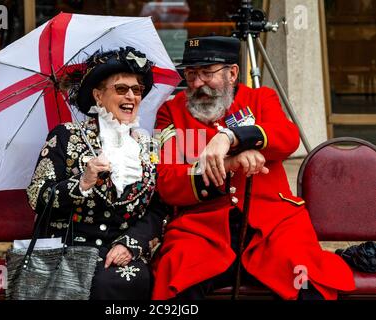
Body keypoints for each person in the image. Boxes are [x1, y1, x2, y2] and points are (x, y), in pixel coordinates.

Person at [151, 36, 356, 300]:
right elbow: (167, 181)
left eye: (206, 73)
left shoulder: (261, 98)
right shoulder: (169, 112)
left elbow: (288, 137)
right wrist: (226, 165)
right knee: (176, 280)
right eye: (191, 74)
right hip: (201, 229)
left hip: (273, 225)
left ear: (233, 73)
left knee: (307, 282)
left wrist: (231, 137)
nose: (197, 83)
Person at [26, 46, 166, 300]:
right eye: (121, 89)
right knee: (92, 285)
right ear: (98, 96)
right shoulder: (66, 136)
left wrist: (131, 243)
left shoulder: (148, 145)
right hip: (69, 249)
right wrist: (82, 183)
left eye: (137, 90)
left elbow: (157, 208)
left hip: (120, 250)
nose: (132, 96)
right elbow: (37, 197)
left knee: (131, 279)